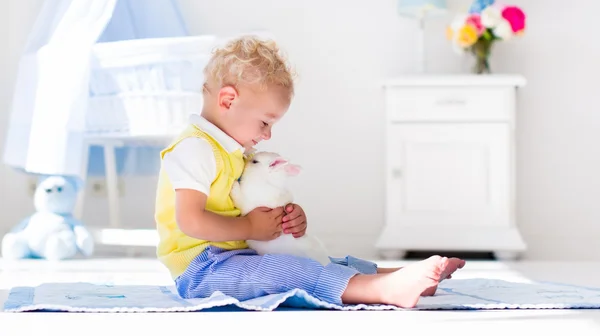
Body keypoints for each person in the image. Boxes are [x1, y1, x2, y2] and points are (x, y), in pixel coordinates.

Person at [154, 35, 465, 308]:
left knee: (314, 261)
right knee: (288, 271)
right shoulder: (195, 148)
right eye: (265, 122)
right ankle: (378, 290)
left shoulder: (234, 152)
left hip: (236, 256)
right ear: (228, 100)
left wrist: (286, 217)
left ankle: (395, 275)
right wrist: (249, 227)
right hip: (201, 271)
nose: (267, 135)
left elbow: (247, 206)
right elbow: (191, 221)